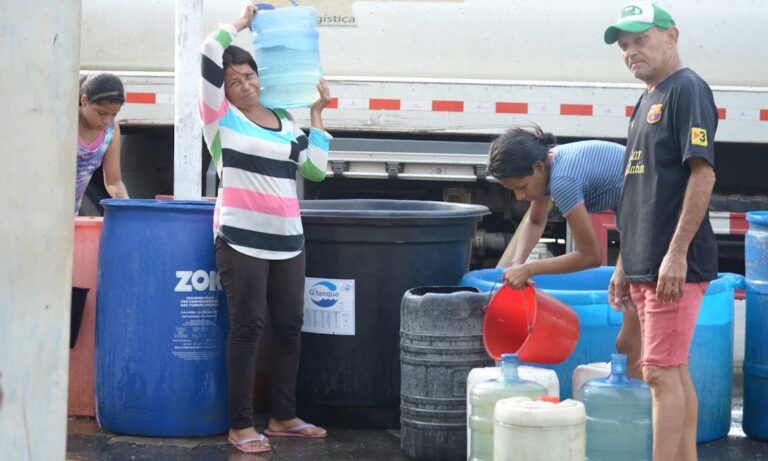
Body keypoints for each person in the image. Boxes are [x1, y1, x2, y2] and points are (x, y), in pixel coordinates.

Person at [200, 3, 332, 454]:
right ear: (224, 89)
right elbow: (206, 51)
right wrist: (241, 23)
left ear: (261, 77)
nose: (244, 86)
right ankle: (240, 425)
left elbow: (313, 172)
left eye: (249, 76)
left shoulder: (284, 121)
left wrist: (317, 118)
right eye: (233, 81)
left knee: (291, 326)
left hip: (288, 241)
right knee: (249, 327)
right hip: (241, 240)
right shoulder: (219, 122)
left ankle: (283, 416)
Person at [604, 3, 718, 460]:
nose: (631, 51)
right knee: (672, 370)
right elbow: (638, 189)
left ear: (671, 36)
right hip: (644, 261)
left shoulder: (687, 89)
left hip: (673, 265)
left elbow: (703, 174)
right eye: (624, 45)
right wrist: (623, 263)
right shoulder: (646, 99)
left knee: (658, 373)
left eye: (640, 39)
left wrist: (676, 255)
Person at [488, 127, 643, 377]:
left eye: (521, 187)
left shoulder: (562, 181)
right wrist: (517, 265)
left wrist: (530, 268)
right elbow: (536, 221)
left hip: (650, 216)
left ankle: (642, 407)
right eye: (512, 191)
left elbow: (591, 255)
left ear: (537, 168)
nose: (519, 197)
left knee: (630, 345)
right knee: (629, 343)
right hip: (636, 217)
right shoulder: (548, 165)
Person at [76, 73, 129, 214]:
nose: (107, 120)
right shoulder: (68, 123)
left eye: (114, 114)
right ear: (85, 101)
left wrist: (128, 207)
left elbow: (114, 181)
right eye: (101, 113)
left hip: (72, 216)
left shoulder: (111, 130)